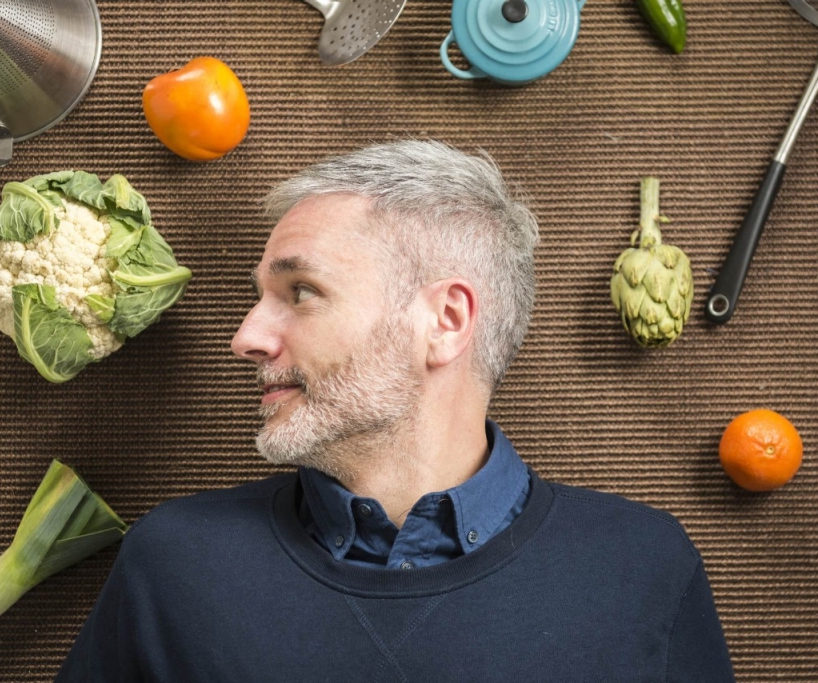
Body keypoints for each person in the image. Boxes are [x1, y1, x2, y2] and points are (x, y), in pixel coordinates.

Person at [55, 140, 735, 682]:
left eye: (300, 291)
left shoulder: (643, 568)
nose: (246, 336)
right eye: (261, 296)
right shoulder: (172, 561)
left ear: (445, 320)